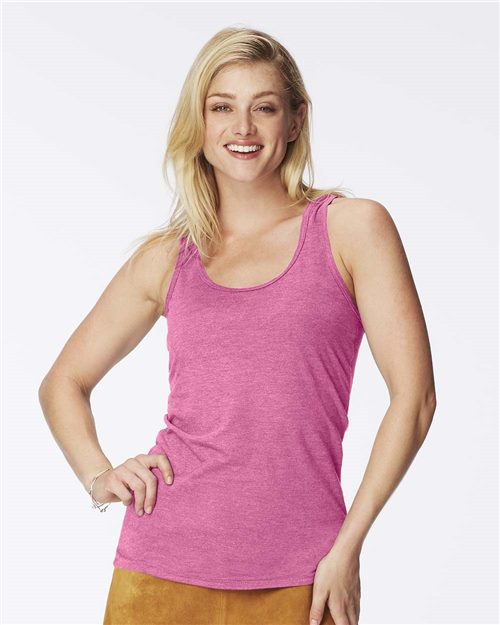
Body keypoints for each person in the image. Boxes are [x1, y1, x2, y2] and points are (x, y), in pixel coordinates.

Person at [38, 26, 436, 625]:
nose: (242, 128)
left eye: (264, 108)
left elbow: (416, 399)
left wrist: (348, 547)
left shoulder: (352, 230)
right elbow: (62, 383)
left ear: (296, 120)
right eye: (222, 107)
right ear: (198, 123)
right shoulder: (169, 257)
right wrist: (99, 476)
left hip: (306, 576)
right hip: (159, 569)